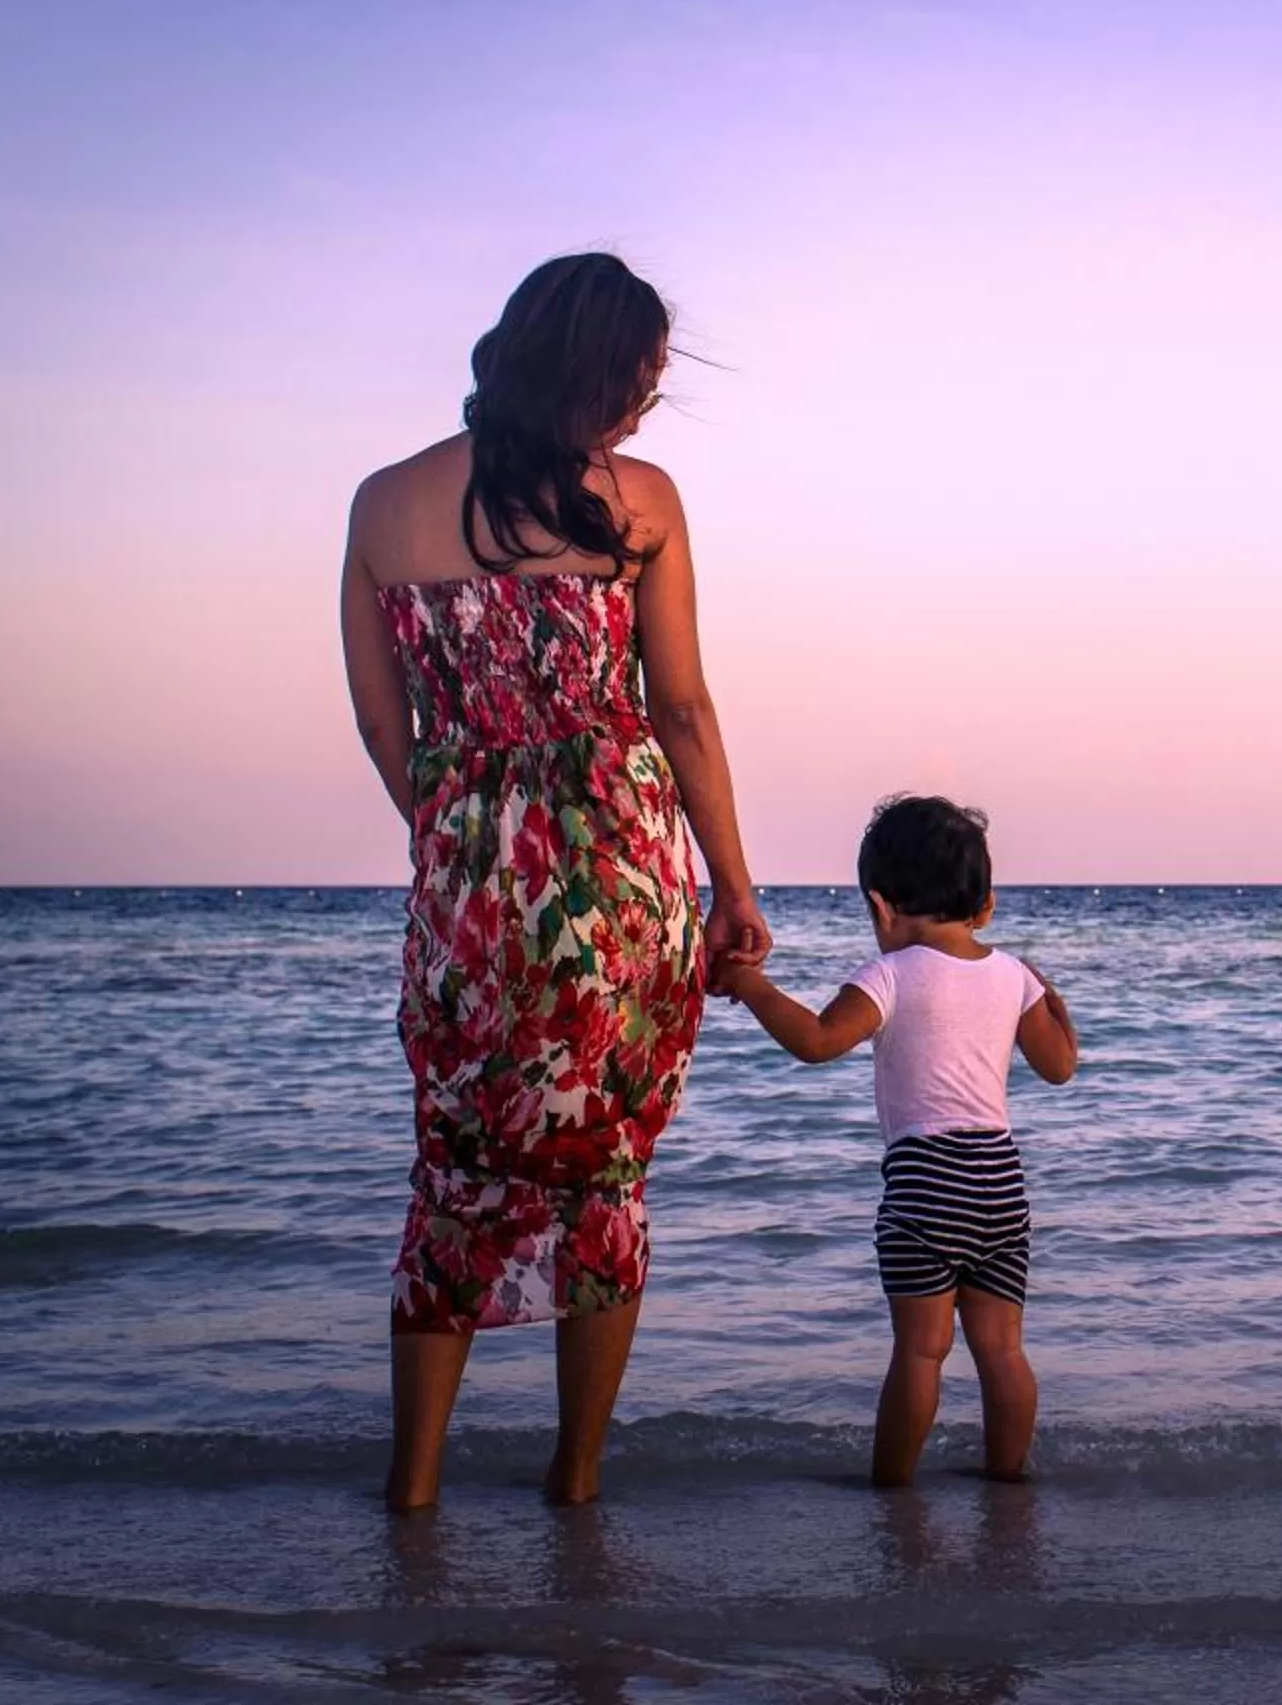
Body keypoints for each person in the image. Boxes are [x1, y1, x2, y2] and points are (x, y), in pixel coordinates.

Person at [339, 251, 770, 1511]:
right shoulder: (639, 501)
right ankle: (574, 1475)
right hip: (621, 877)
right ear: (595, 369)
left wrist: (465, 839)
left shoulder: (381, 503)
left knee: (455, 1172)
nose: (649, 399)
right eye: (641, 373)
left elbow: (382, 724)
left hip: (467, 888)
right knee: (605, 1171)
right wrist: (732, 886)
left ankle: (412, 1484)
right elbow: (678, 706)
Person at [710, 795, 1077, 1486]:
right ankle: (1008, 1481)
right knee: (1002, 1351)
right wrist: (1050, 999)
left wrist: (753, 988)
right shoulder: (1013, 975)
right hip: (1000, 1178)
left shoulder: (891, 973)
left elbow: (817, 1043)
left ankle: (891, 1488)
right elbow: (1059, 1068)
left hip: (926, 1177)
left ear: (882, 907)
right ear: (986, 905)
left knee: (920, 1351)